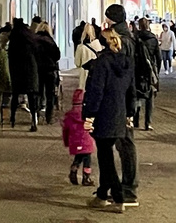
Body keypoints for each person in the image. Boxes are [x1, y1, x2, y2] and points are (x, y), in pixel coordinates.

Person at [81, 28, 138, 209]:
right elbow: (131, 91)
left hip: (104, 114)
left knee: (106, 159)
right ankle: (101, 194)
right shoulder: (127, 62)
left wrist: (89, 114)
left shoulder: (101, 63)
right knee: (105, 154)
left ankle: (118, 198)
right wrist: (130, 113)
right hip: (119, 114)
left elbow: (96, 91)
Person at [5, 19, 39, 130]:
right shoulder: (30, 38)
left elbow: (10, 57)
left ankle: (12, 119)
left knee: (15, 95)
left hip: (17, 71)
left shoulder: (14, 38)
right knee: (31, 97)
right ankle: (34, 120)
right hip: (30, 70)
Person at [61, 87, 96, 186]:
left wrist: (66, 142)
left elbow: (65, 131)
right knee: (87, 159)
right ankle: (86, 177)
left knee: (78, 157)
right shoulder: (88, 113)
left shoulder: (69, 116)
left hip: (75, 142)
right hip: (86, 141)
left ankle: (73, 170)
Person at [131, 18, 160, 131]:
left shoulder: (134, 37)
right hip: (148, 70)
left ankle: (135, 120)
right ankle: (148, 123)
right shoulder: (153, 39)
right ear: (148, 25)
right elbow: (159, 57)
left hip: (136, 70)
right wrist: (155, 70)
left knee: (136, 96)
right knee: (150, 97)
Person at [33, 23, 63, 115]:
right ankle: (49, 115)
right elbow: (57, 56)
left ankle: (36, 112)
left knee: (38, 92)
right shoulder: (51, 41)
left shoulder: (34, 40)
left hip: (37, 69)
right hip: (49, 69)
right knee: (50, 93)